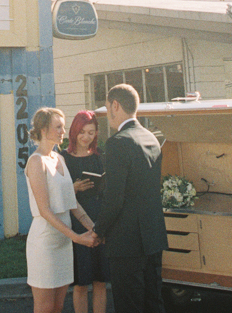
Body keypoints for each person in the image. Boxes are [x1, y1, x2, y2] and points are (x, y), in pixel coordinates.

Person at [93, 85, 168, 313]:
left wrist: (98, 231)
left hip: (126, 243)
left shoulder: (118, 142)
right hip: (153, 237)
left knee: (130, 306)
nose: (107, 114)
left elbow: (114, 199)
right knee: (153, 303)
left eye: (107, 108)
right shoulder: (151, 138)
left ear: (115, 105)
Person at [26, 107, 99, 313]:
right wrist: (77, 237)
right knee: (45, 308)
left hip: (63, 244)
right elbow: (44, 210)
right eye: (58, 127)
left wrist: (94, 229)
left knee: (58, 307)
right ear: (42, 129)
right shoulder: (35, 161)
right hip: (45, 245)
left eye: (63, 126)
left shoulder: (59, 159)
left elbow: (72, 203)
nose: (63, 131)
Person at [62, 111, 110, 313]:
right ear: (74, 132)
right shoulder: (63, 158)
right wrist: (73, 188)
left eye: (91, 132)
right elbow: (56, 192)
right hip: (78, 223)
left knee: (100, 281)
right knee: (81, 283)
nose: (86, 137)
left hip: (100, 220)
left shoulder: (100, 156)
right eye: (82, 132)